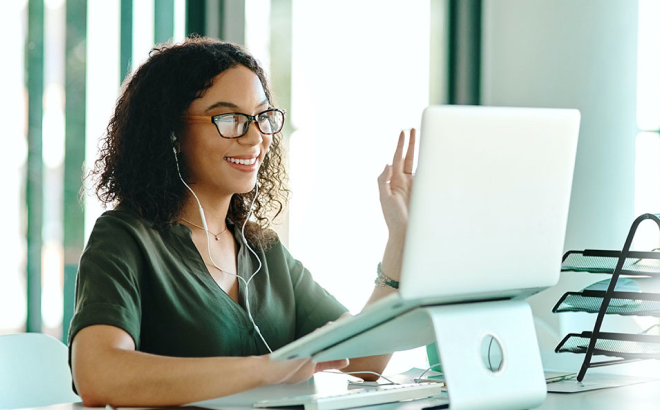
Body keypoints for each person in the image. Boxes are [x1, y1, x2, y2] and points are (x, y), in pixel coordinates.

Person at [68, 36, 417, 407]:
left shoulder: (264, 252)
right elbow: (98, 374)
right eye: (230, 119)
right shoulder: (125, 237)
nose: (255, 137)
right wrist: (269, 368)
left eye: (262, 116)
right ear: (171, 133)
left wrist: (401, 236)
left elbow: (363, 362)